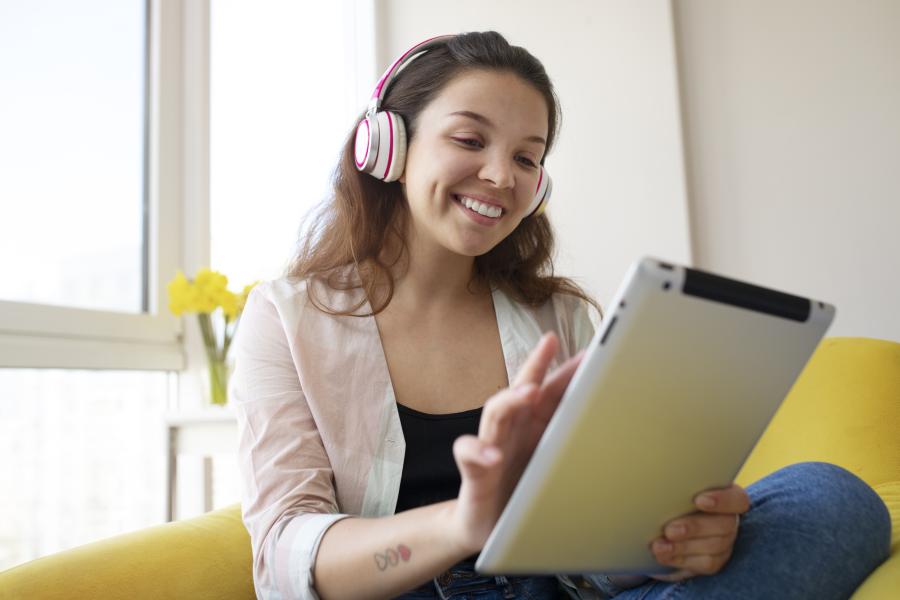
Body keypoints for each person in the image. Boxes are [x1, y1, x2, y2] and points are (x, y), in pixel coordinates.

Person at [231, 32, 891, 600]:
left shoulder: (559, 315)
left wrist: (675, 542)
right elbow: (289, 553)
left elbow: (598, 551)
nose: (500, 176)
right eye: (470, 138)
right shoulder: (286, 317)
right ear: (386, 147)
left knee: (830, 495)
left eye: (526, 157)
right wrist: (466, 522)